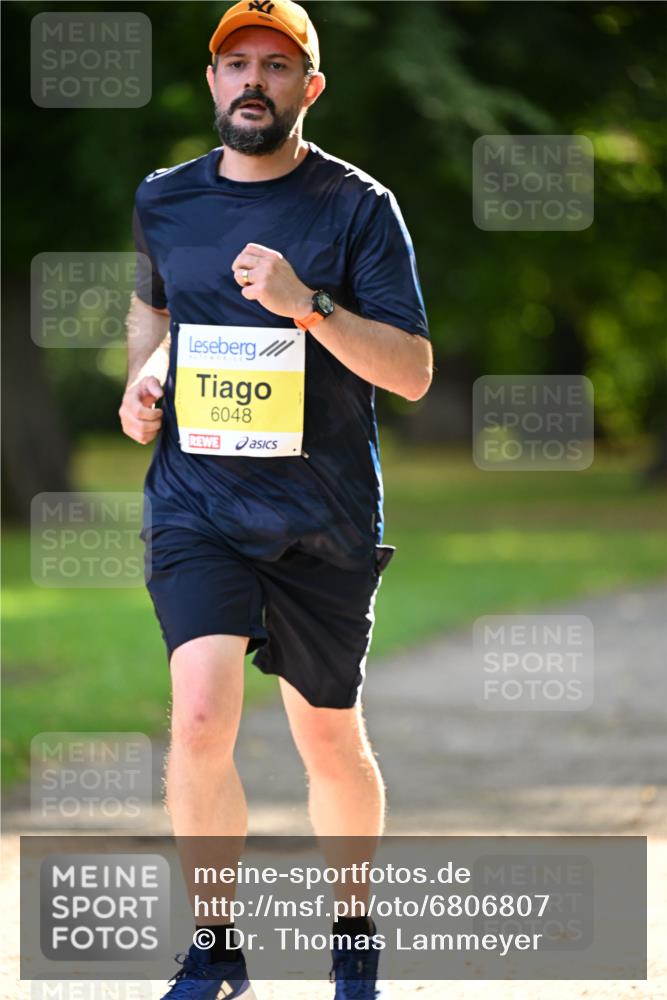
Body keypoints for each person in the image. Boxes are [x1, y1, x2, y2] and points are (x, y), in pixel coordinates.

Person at [119, 1, 432, 996]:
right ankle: (215, 949)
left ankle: (351, 932)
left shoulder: (357, 206)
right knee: (200, 715)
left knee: (326, 736)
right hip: (197, 503)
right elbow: (155, 306)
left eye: (277, 65)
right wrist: (142, 379)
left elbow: (415, 370)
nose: (253, 80)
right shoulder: (165, 200)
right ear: (212, 82)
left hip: (320, 515)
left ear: (311, 86)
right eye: (235, 64)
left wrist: (312, 305)